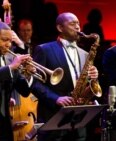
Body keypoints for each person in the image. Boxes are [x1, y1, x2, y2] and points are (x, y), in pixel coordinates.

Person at [31, 12, 99, 141]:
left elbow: (87, 83)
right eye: (73, 24)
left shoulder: (85, 54)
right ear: (60, 28)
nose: (78, 27)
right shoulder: (44, 49)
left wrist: (93, 77)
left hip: (78, 120)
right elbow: (34, 83)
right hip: (53, 117)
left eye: (78, 23)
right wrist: (56, 98)